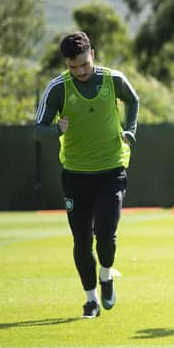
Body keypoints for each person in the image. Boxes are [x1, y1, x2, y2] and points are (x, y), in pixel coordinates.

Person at [33, 31, 139, 319]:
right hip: (76, 175)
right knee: (81, 241)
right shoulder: (57, 88)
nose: (80, 71)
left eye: (84, 64)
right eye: (73, 67)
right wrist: (56, 129)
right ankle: (90, 299)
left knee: (105, 234)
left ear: (92, 53)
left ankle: (106, 275)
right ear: (66, 64)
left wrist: (130, 130)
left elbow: (133, 100)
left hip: (112, 169)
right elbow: (37, 129)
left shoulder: (113, 79)